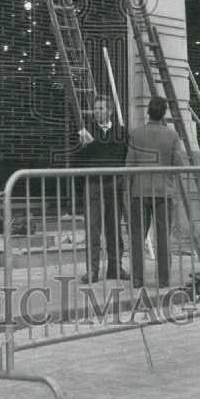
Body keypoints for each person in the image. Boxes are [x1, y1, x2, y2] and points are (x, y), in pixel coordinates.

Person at [126, 97, 186, 289]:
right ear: (164, 113)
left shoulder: (136, 134)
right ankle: (163, 279)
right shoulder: (172, 135)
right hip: (164, 192)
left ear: (148, 112)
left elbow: (129, 164)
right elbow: (179, 164)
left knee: (138, 236)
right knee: (163, 236)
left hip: (139, 191)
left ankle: (137, 279)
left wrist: (128, 190)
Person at [77, 95, 128, 283]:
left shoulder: (121, 132)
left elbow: (122, 156)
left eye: (101, 108)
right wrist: (85, 147)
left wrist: (94, 145)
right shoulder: (85, 132)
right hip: (93, 185)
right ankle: (92, 271)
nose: (97, 112)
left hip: (114, 184)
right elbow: (77, 160)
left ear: (110, 111)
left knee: (114, 227)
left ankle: (115, 268)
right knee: (93, 228)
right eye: (95, 109)